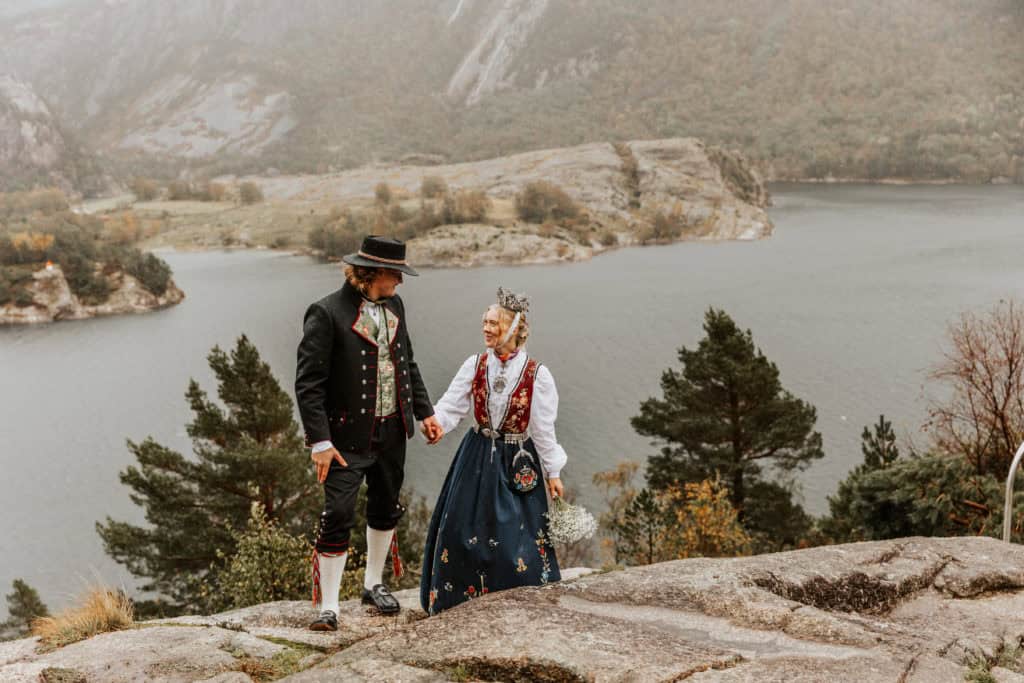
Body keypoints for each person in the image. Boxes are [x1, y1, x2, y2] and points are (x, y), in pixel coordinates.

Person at [295, 235, 444, 631]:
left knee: (385, 505)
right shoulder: (325, 312)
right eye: (395, 273)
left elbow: (406, 362)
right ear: (372, 272)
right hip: (344, 439)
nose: (400, 281)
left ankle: (373, 584)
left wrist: (424, 412)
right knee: (338, 513)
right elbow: (309, 384)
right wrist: (320, 441)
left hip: (393, 430)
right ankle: (328, 606)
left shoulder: (396, 305)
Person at [419, 287, 566, 615]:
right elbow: (452, 405)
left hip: (517, 460)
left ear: (512, 329)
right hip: (476, 454)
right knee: (461, 528)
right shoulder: (475, 364)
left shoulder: (537, 375)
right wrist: (437, 424)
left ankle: (517, 603)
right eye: (484, 322)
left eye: (493, 323)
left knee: (516, 534)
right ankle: (458, 600)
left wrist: (553, 472)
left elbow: (543, 429)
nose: (485, 328)